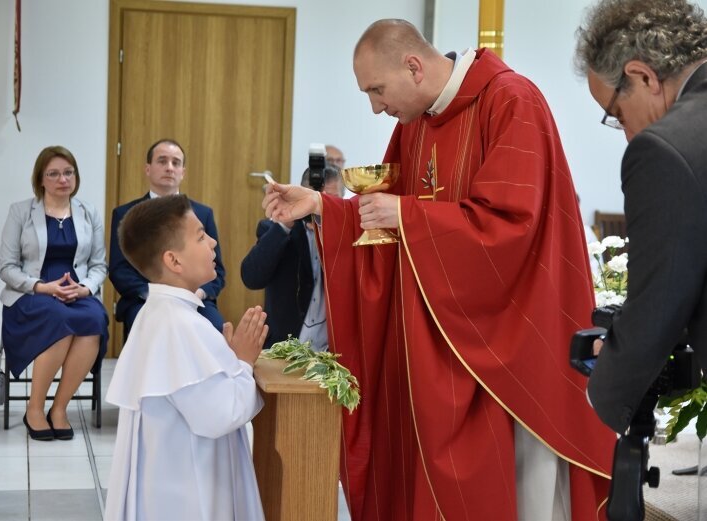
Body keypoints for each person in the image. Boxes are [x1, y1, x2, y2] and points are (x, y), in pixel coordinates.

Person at [263, 19, 615, 520]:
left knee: (522, 492)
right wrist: (320, 204)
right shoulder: (416, 124)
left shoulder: (511, 101)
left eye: (376, 90)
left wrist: (408, 215)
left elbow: (513, 225)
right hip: (437, 348)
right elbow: (381, 230)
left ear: (413, 66)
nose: (376, 106)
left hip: (510, 340)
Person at [575, 0, 707, 434]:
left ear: (642, 75)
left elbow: (658, 303)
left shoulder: (668, 147)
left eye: (616, 115)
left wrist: (604, 392)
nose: (629, 133)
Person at [105, 194, 267, 520]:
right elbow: (220, 415)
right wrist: (244, 362)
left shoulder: (163, 314)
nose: (213, 241)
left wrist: (230, 360)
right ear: (173, 261)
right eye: (200, 236)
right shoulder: (180, 326)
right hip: (186, 496)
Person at [0, 145, 108, 441]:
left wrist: (85, 288)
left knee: (94, 322)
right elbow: (6, 267)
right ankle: (35, 408)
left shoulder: (88, 212)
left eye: (68, 172)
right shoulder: (21, 211)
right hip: (31, 294)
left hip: (77, 293)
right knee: (59, 319)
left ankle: (59, 409)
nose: (63, 179)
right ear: (41, 180)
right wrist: (43, 287)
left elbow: (99, 264)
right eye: (54, 173)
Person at [109, 138, 226, 337]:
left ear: (183, 172)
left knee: (214, 328)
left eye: (176, 163)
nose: (169, 168)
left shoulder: (202, 213)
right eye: (162, 161)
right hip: (144, 299)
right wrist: (155, 295)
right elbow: (119, 270)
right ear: (148, 168)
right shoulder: (125, 214)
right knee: (151, 329)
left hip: (195, 298)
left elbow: (218, 271)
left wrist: (197, 293)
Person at [241, 166, 343, 350]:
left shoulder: (348, 236)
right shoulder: (277, 229)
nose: (322, 209)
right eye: (317, 200)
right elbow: (251, 277)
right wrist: (283, 226)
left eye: (331, 201)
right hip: (284, 347)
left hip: (332, 350)